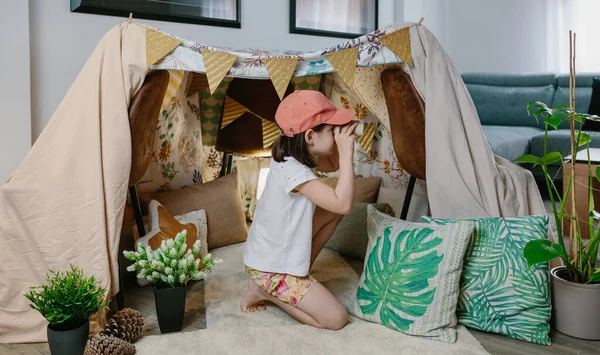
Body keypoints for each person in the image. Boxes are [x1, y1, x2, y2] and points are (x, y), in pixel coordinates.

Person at [241, 90, 357, 330]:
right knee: (336, 319)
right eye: (331, 129)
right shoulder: (294, 172)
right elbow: (343, 203)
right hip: (270, 267)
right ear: (310, 136)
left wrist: (339, 135)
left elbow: (332, 164)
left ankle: (297, 272)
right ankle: (269, 291)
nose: (336, 133)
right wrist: (347, 152)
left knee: (331, 213)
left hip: (269, 251)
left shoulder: (292, 153)